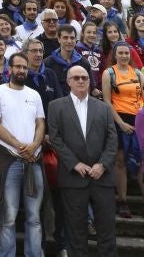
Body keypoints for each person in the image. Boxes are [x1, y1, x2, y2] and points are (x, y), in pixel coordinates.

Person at [48, 65, 118, 257]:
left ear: (89, 80)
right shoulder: (56, 106)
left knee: (107, 230)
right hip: (73, 178)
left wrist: (102, 165)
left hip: (102, 178)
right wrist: (74, 163)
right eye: (76, 78)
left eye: (84, 78)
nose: (81, 81)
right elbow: (55, 138)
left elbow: (112, 139)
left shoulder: (103, 108)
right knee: (75, 232)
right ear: (68, 81)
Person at [0, 52, 45, 257]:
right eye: (18, 67)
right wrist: (21, 146)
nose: (21, 70)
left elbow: (40, 124)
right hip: (10, 159)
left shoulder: (34, 94)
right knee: (8, 217)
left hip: (34, 161)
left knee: (35, 217)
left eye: (24, 67)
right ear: (9, 69)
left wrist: (34, 145)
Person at [101, 40, 144, 218]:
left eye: (127, 53)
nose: (125, 56)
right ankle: (123, 201)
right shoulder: (109, 73)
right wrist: (120, 123)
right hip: (119, 119)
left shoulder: (138, 74)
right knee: (120, 161)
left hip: (139, 118)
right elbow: (106, 102)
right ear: (115, 55)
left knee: (142, 162)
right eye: (121, 53)